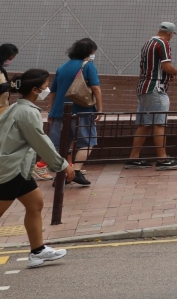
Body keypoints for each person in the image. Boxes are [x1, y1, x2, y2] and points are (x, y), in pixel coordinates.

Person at [0, 68, 74, 268]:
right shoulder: (27, 112)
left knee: (35, 204)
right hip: (11, 170)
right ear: (34, 89)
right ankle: (38, 251)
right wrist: (62, 165)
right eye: (44, 87)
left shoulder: (17, 108)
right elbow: (40, 142)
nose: (47, 90)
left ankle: (38, 251)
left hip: (18, 168)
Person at [126, 21, 177, 170]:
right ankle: (163, 159)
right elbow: (166, 66)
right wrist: (175, 71)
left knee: (144, 124)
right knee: (159, 123)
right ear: (170, 33)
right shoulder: (163, 43)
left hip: (143, 87)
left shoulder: (148, 43)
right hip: (156, 88)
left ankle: (133, 158)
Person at [48, 38, 101, 187]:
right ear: (89, 52)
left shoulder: (62, 67)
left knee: (61, 145)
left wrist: (52, 110)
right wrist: (100, 108)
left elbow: (53, 91)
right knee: (88, 142)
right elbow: (96, 88)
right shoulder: (88, 66)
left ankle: (64, 174)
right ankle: (76, 171)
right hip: (82, 111)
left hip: (59, 111)